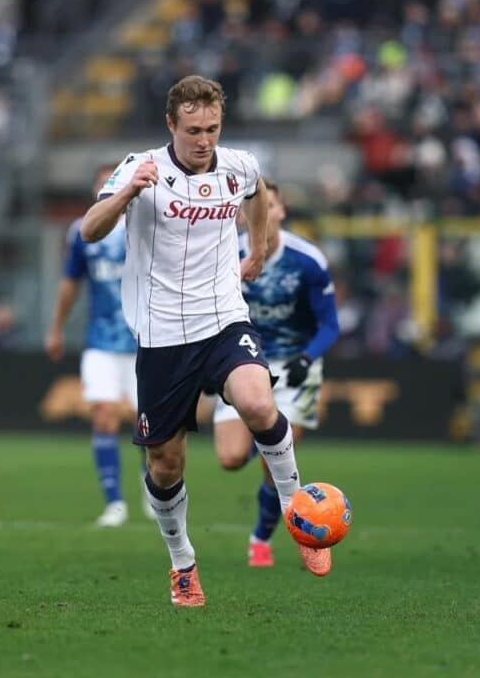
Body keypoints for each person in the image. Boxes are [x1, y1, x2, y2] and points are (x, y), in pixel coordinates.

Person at [81, 75, 329, 608]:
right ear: (171, 124)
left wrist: (256, 250)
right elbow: (89, 230)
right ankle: (183, 564)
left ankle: (299, 514)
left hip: (223, 320)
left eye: (212, 128)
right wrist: (127, 193)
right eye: (193, 130)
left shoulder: (238, 165)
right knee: (165, 464)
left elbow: (257, 193)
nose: (204, 140)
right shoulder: (140, 166)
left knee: (258, 402)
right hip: (163, 336)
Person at [211, 179, 339, 567]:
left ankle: (262, 538)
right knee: (231, 458)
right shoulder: (223, 254)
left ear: (281, 211)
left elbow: (330, 325)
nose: (262, 213)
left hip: (296, 364)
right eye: (253, 206)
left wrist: (308, 358)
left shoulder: (307, 261)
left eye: (269, 205)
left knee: (274, 461)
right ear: (240, 214)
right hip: (241, 361)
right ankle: (264, 437)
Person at [45, 164, 151, 527]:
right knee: (103, 415)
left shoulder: (145, 226)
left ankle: (153, 489)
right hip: (101, 341)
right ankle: (115, 503)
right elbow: (70, 282)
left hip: (145, 341)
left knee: (149, 424)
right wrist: (56, 328)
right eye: (104, 182)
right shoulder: (83, 231)